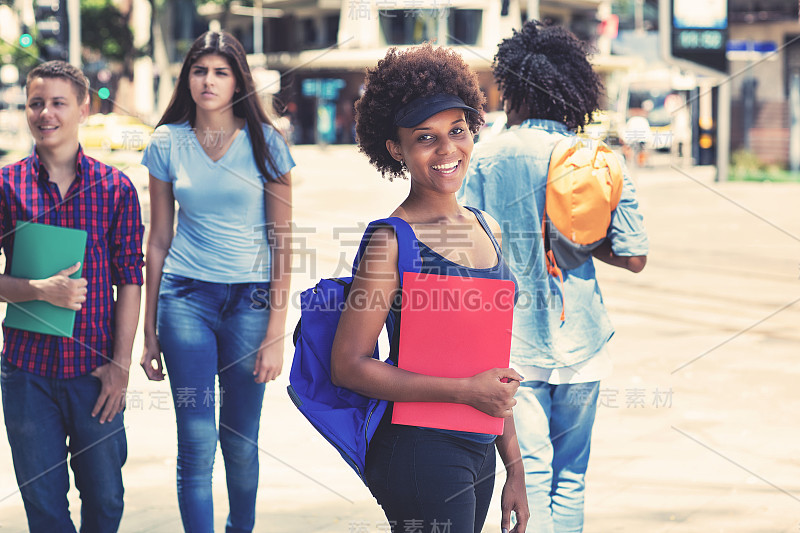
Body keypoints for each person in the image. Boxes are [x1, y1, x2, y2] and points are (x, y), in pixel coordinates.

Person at [331, 44, 529, 533]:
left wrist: (515, 466)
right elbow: (348, 365)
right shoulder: (390, 241)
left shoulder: (487, 228)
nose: (447, 150)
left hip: (481, 446)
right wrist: (466, 391)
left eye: (457, 131)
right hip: (421, 448)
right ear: (396, 148)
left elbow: (491, 366)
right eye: (426, 138)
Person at [459, 21, 649, 533]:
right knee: (572, 479)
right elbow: (634, 257)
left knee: (531, 475)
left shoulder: (484, 157)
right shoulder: (598, 159)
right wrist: (579, 244)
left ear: (513, 86)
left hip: (511, 343)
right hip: (583, 341)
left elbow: (466, 253)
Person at [139, 31, 294, 533]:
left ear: (237, 80)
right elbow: (158, 240)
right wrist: (148, 332)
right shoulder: (167, 142)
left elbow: (284, 243)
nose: (208, 81)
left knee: (240, 439)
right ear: (187, 77)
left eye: (220, 71)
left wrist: (275, 332)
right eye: (199, 70)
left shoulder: (267, 144)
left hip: (250, 305)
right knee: (196, 438)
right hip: (184, 300)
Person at [0, 61, 144, 532]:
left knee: (105, 502)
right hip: (26, 373)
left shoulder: (114, 188)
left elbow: (130, 279)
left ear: (83, 108)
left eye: (58, 103)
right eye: (36, 103)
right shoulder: (6, 187)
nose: (46, 113)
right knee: (44, 510)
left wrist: (120, 366)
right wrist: (37, 291)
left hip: (95, 372)